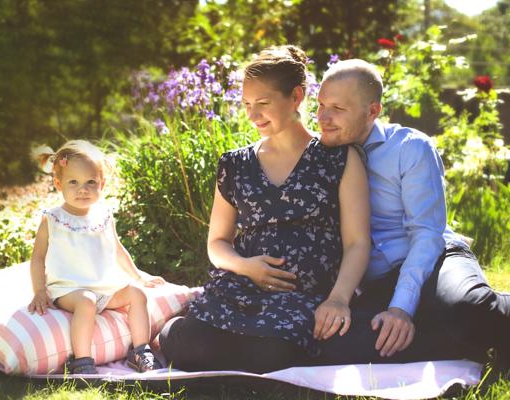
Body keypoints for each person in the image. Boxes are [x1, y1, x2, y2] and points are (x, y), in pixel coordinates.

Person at [159, 45, 371, 373]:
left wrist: (338, 299)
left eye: (263, 103)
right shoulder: (235, 164)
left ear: (296, 96)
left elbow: (357, 242)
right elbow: (216, 243)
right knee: (184, 344)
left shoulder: (340, 158)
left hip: (304, 296)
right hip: (240, 288)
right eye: (246, 104)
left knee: (273, 354)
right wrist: (246, 267)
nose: (253, 115)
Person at [314, 59, 510, 369]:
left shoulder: (411, 147)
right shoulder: (319, 157)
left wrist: (400, 308)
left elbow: (426, 235)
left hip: (435, 259)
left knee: (465, 306)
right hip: (379, 281)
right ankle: (463, 341)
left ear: (372, 111)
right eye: (321, 105)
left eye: (337, 108)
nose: (323, 118)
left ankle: (480, 317)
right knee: (336, 344)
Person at [27, 140, 165, 374]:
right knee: (86, 301)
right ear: (59, 184)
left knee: (137, 294)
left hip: (104, 288)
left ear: (102, 183)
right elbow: (38, 258)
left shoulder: (104, 215)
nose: (83, 189)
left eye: (91, 182)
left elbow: (118, 250)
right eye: (73, 182)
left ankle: (140, 351)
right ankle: (82, 362)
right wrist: (40, 291)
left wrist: (139, 277)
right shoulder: (53, 219)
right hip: (69, 289)